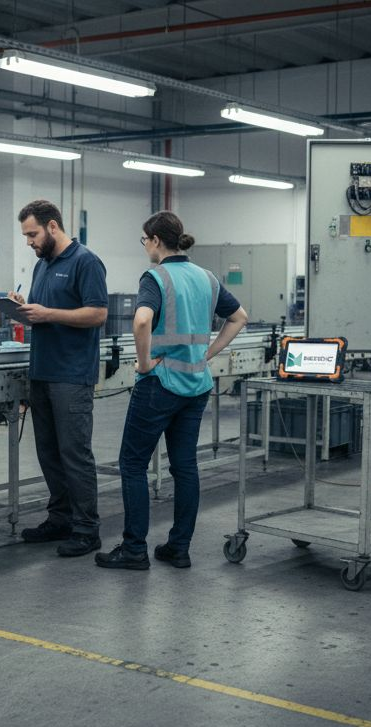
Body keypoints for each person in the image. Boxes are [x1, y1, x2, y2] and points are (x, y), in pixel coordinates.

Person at [96, 211, 247, 570]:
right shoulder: (206, 277)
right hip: (195, 386)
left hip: (160, 386)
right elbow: (239, 317)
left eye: (143, 240)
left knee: (132, 464)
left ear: (155, 240)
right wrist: (206, 353)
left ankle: (134, 549)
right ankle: (178, 548)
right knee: (185, 466)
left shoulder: (156, 277)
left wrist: (145, 363)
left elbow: (142, 319)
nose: (144, 246)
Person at [7, 200, 109, 557]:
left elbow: (97, 314)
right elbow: (45, 316)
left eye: (32, 234)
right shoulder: (43, 266)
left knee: (74, 453)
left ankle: (86, 528)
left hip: (71, 374)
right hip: (43, 371)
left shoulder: (86, 262)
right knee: (49, 453)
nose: (29, 242)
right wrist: (24, 308)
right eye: (26, 235)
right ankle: (60, 518)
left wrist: (48, 312)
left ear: (52, 227)